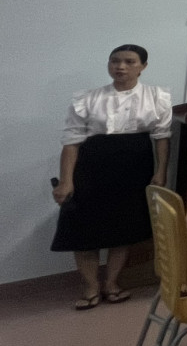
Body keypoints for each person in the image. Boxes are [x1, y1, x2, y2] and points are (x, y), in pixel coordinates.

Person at [53, 44, 172, 309]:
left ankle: (111, 283)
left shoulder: (157, 97)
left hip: (134, 167)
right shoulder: (88, 98)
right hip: (91, 167)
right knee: (83, 229)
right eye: (115, 61)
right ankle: (91, 287)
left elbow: (162, 138)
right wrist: (66, 180)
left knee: (123, 229)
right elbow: (71, 142)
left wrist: (161, 171)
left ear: (143, 67)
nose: (120, 67)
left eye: (129, 61)